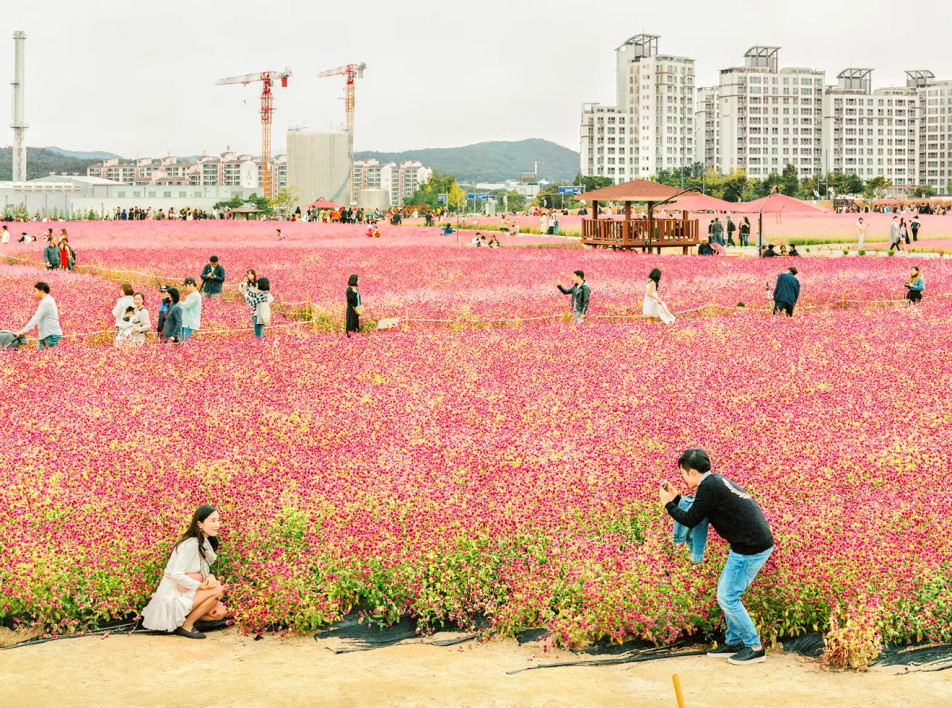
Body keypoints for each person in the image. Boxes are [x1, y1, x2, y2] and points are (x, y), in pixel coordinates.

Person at [660, 448, 774, 666]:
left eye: (683, 474)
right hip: (748, 543)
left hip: (751, 547)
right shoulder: (713, 482)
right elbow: (699, 508)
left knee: (728, 597)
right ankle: (733, 642)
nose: (683, 479)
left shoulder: (709, 488)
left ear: (692, 472)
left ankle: (754, 647)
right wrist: (676, 497)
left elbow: (691, 519)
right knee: (727, 592)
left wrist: (667, 503)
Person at [140, 505, 229, 639]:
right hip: (174, 594)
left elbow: (199, 568)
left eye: (218, 520)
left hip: (187, 590)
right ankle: (187, 625)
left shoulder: (203, 542)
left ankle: (180, 618)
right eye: (212, 521)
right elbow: (176, 575)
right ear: (200, 523)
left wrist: (210, 576)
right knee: (220, 590)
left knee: (221, 612)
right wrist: (201, 586)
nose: (217, 524)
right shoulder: (191, 544)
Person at [13, 281, 63, 350]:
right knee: (40, 355)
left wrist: (23, 331)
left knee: (51, 356)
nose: (34, 293)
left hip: (51, 335)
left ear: (41, 291)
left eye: (36, 291)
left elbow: (36, 318)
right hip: (45, 335)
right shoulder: (45, 301)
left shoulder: (46, 302)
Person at [346, 274, 362, 338]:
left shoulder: (355, 289)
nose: (359, 281)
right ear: (354, 280)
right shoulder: (349, 289)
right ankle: (350, 336)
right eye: (358, 280)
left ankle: (356, 335)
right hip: (352, 310)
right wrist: (354, 293)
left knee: (355, 323)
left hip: (356, 309)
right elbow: (350, 300)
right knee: (351, 323)